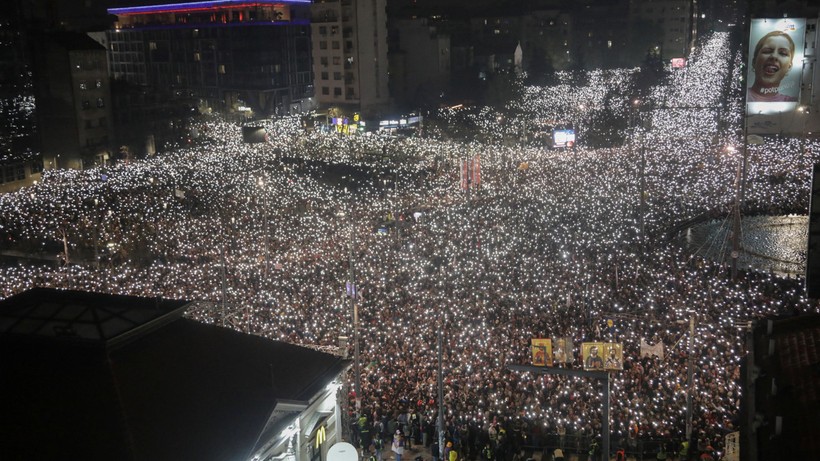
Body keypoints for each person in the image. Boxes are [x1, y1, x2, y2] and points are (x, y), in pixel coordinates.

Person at [747, 30, 798, 102]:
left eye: (783, 53)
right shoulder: (738, 96)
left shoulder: (793, 102)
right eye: (767, 51)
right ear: (754, 62)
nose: (774, 56)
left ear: (789, 67)